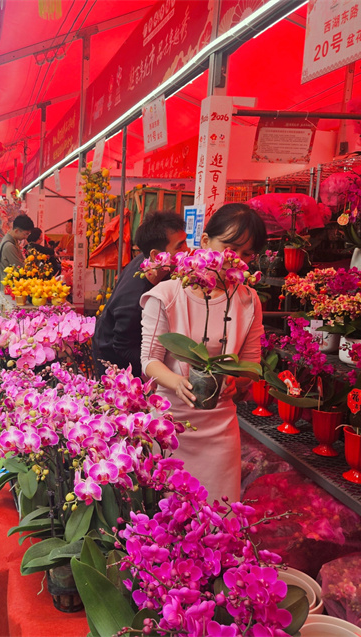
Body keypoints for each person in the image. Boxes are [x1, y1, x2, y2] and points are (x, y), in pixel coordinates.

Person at [140, 203, 267, 504]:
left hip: (220, 429)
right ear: (206, 242)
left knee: (218, 518)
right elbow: (150, 361)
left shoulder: (248, 300)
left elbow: (251, 365)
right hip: (170, 425)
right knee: (167, 519)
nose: (238, 259)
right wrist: (176, 382)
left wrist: (241, 380)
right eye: (231, 247)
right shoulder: (168, 294)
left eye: (248, 254)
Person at [93, 211, 187, 377]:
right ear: (157, 255)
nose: (187, 250)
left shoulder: (148, 263)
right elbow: (122, 347)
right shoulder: (133, 298)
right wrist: (162, 366)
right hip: (112, 356)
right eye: (180, 246)